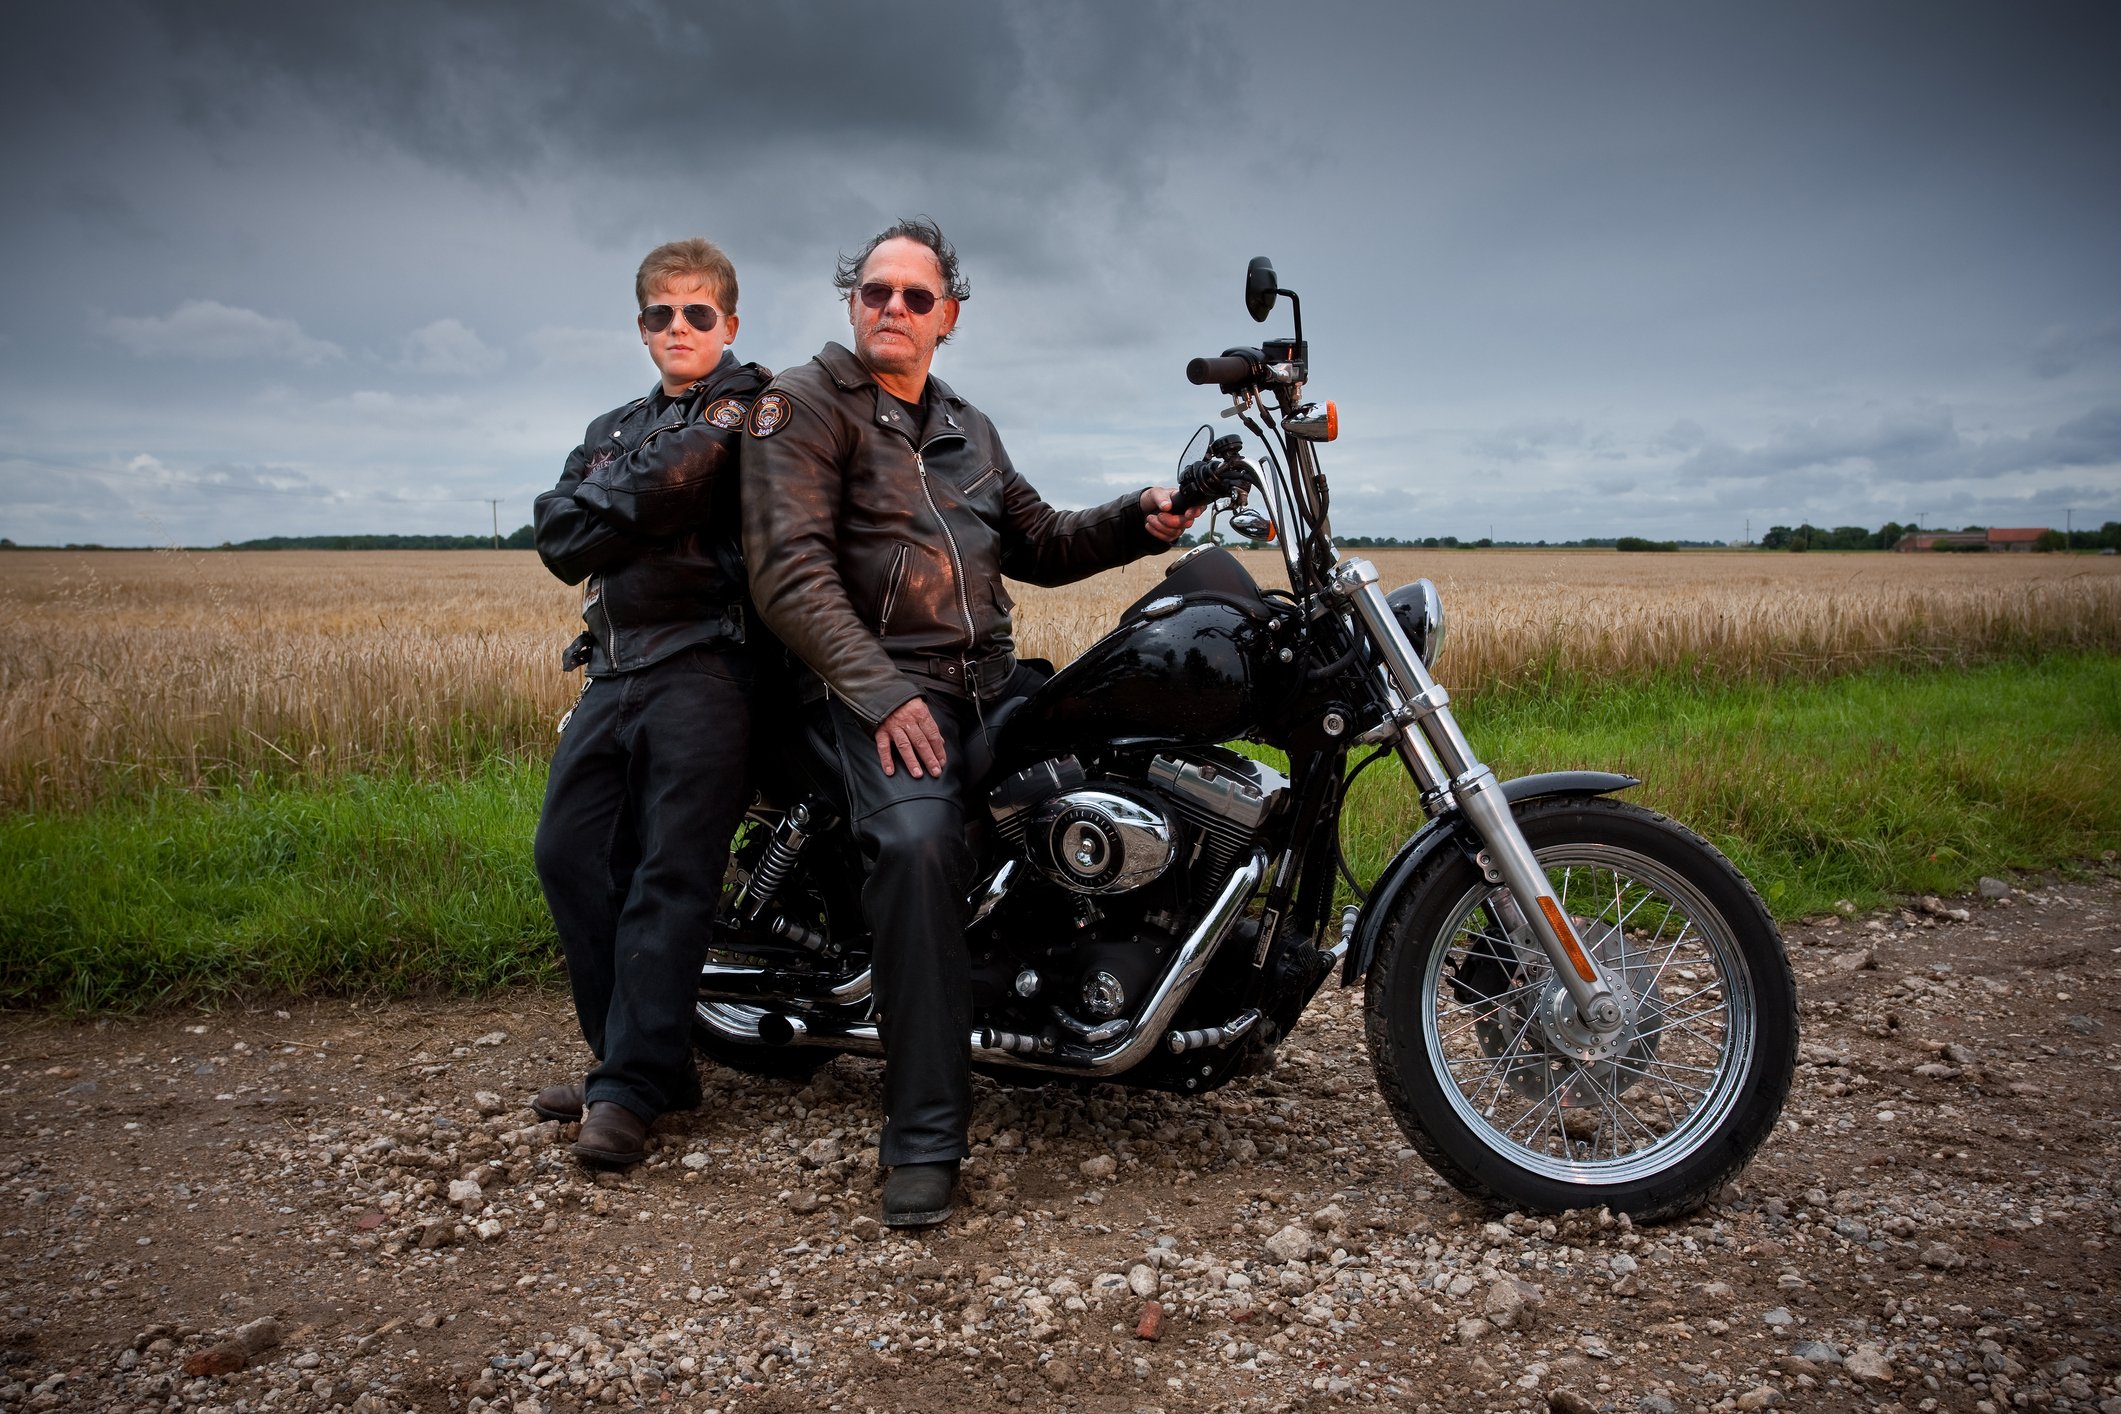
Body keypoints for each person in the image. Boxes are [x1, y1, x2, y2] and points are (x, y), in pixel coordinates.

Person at [741, 217, 1198, 1225]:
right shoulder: (804, 405)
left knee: (1118, 758)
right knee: (917, 846)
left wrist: (1141, 517)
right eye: (875, 291)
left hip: (985, 682)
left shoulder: (965, 426)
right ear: (852, 301)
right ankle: (923, 1133)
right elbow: (789, 573)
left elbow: (1040, 538)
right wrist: (882, 691)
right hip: (870, 686)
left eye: (915, 296)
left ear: (946, 316)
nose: (892, 308)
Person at [529, 238, 771, 1166]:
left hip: (707, 661)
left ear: (728, 322)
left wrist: (610, 505)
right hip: (614, 667)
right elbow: (557, 538)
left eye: (697, 312)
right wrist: (633, 500)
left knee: (671, 872)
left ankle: (628, 1088)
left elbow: (670, 488)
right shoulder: (615, 423)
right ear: (640, 327)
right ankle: (641, 1065)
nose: (678, 326)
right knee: (569, 854)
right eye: (660, 314)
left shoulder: (750, 404)